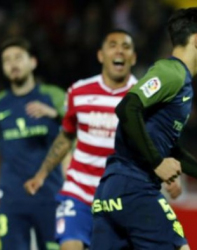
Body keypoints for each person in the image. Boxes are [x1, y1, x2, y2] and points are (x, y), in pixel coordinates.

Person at [90, 7, 197, 250]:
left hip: (109, 193)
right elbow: (128, 107)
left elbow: (171, 150)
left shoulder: (182, 85)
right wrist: (156, 163)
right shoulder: (172, 73)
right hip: (135, 189)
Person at [24, 29, 138, 250]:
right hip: (78, 192)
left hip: (120, 198)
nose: (119, 51)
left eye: (126, 47)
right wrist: (41, 174)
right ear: (100, 55)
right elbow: (66, 135)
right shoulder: (79, 92)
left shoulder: (143, 97)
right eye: (113, 45)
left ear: (133, 57)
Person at [0, 38, 64, 250]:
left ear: (33, 62)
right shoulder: (1, 103)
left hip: (50, 195)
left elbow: (78, 126)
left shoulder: (52, 95)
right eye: (7, 60)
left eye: (18, 57)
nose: (12, 64)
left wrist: (55, 114)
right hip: (11, 198)